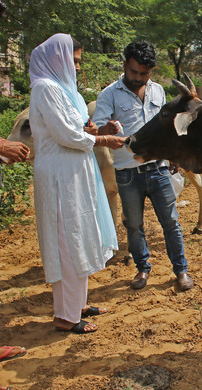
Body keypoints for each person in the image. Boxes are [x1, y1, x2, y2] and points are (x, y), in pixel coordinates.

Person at [28, 34, 126, 334]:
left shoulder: (65, 89)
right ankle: (66, 316)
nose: (77, 67)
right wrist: (103, 139)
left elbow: (76, 129)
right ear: (58, 58)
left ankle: (77, 303)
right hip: (60, 175)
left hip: (75, 172)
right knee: (67, 242)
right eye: (75, 60)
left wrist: (96, 129)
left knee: (78, 236)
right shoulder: (46, 88)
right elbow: (66, 136)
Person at [93, 41, 194, 292]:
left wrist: (174, 155)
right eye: (134, 72)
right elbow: (96, 129)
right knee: (134, 225)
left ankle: (181, 270)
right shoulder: (108, 95)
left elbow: (167, 128)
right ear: (125, 64)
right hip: (127, 173)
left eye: (145, 73)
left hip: (158, 168)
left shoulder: (158, 91)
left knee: (171, 222)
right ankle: (142, 268)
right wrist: (108, 130)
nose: (138, 78)